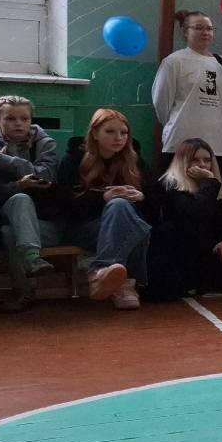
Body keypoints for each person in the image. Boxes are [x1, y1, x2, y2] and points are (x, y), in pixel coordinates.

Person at [57, 109, 152, 309]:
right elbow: (64, 204)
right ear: (95, 133)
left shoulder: (134, 160)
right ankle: (126, 284)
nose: (118, 138)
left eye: (124, 133)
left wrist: (140, 196)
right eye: (110, 131)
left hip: (121, 226)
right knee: (131, 220)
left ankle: (101, 272)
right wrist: (102, 198)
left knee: (123, 210)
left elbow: (156, 196)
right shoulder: (74, 160)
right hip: (84, 227)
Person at [0, 94, 60, 311]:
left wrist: (5, 161)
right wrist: (20, 185)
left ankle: (24, 290)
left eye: (24, 118)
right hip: (9, 213)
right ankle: (32, 260)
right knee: (19, 200)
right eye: (10, 119)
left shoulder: (45, 143)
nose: (19, 124)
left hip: (44, 222)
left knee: (10, 233)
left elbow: (46, 176)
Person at [145, 137, 222, 301]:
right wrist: (209, 182)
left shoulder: (215, 187)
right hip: (174, 257)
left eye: (207, 160)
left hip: (200, 253)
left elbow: (219, 219)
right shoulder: (169, 185)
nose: (202, 165)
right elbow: (196, 212)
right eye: (195, 160)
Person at [152, 10, 222, 178]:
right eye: (199, 28)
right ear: (185, 32)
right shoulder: (174, 61)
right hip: (180, 142)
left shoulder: (221, 63)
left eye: (209, 28)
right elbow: (161, 103)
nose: (205, 32)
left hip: (217, 144)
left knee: (213, 190)